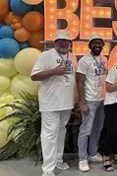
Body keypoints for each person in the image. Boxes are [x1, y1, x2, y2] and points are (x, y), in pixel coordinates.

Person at [30, 30, 78, 176]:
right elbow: (34, 76)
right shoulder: (45, 56)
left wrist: (74, 98)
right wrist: (53, 71)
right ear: (54, 42)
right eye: (60, 40)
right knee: (49, 134)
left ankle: (58, 160)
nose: (63, 43)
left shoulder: (72, 56)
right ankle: (48, 169)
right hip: (50, 103)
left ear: (70, 43)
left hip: (66, 102)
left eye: (66, 41)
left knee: (61, 131)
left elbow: (73, 78)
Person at [76, 33, 108, 172]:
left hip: (102, 99)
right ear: (89, 45)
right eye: (94, 43)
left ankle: (93, 153)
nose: (97, 45)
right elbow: (80, 82)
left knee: (97, 128)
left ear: (103, 45)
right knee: (85, 130)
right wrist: (83, 103)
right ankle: (82, 158)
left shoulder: (104, 59)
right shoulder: (84, 61)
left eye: (99, 43)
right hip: (89, 100)